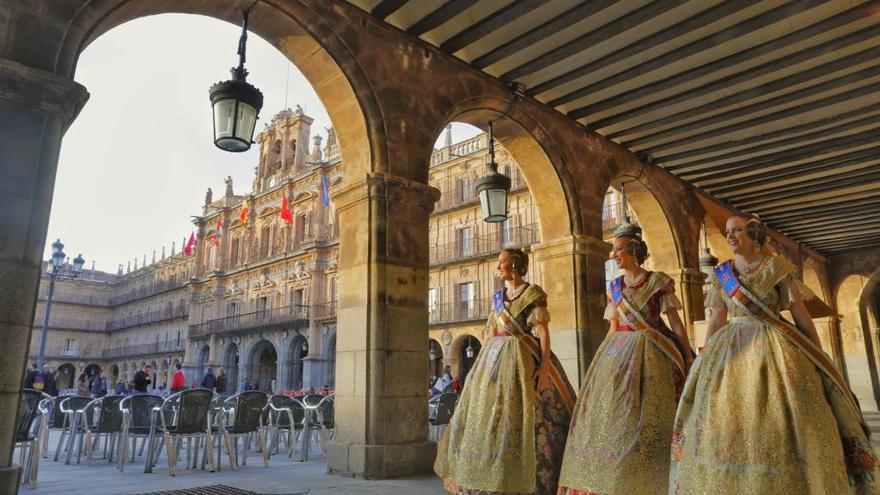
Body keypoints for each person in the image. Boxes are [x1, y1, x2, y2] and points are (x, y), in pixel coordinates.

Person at [670, 214, 880, 493]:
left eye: (738, 231)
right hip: (728, 349)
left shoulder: (778, 268)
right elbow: (718, 318)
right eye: (729, 231)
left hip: (777, 346)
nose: (731, 236)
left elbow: (800, 315)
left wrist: (818, 355)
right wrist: (704, 355)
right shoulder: (723, 274)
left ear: (755, 236)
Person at [557, 221, 693, 494]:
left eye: (618, 249)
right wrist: (600, 362)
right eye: (614, 250)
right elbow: (614, 326)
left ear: (633, 250)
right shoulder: (615, 287)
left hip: (656, 352)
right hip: (618, 351)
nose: (614, 254)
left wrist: (688, 357)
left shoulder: (658, 282)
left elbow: (676, 323)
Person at [435, 248, 576, 495]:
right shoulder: (498, 297)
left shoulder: (533, 293)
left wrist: (544, 366)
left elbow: (542, 331)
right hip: (494, 357)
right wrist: (479, 366)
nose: (498, 267)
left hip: (522, 357)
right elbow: (490, 333)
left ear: (514, 264)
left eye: (501, 262)